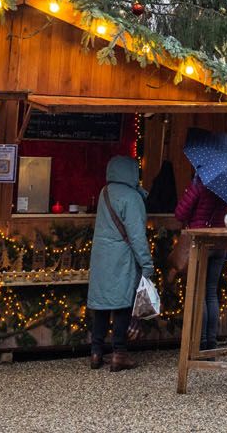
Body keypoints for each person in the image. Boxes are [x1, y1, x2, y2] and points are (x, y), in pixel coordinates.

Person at [88, 155, 154, 371]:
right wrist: (146, 264)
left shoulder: (104, 192)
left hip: (101, 256)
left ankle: (96, 352)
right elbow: (136, 236)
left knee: (102, 305)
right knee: (123, 304)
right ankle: (119, 353)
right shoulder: (132, 198)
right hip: (122, 258)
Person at [175, 169, 227, 353]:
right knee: (211, 293)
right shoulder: (226, 185)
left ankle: (200, 343)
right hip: (219, 244)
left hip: (201, 243)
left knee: (199, 293)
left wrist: (191, 188)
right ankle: (212, 344)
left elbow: (180, 213)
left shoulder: (200, 182)